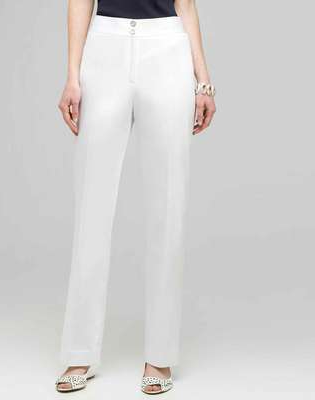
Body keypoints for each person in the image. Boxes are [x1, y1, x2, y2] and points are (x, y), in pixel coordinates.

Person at [56, 0, 216, 394]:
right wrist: (73, 75)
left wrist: (203, 81)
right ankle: (79, 351)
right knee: (91, 208)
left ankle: (160, 355)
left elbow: (185, 4)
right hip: (104, 48)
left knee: (168, 208)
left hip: (167, 50)